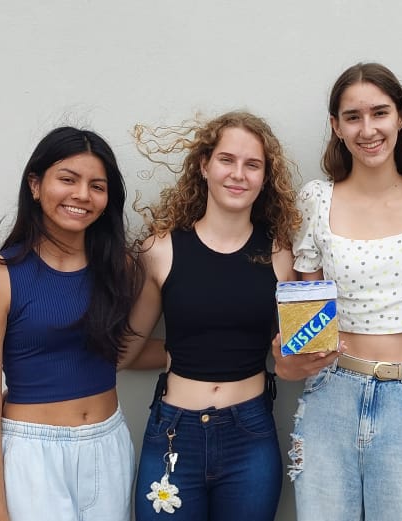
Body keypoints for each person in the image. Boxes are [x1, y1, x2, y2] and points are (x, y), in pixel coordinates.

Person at [278, 62, 402, 521]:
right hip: (330, 393)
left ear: (401, 117)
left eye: (380, 113)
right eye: (353, 117)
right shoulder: (316, 199)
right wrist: (292, 357)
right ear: (336, 126)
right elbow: (305, 310)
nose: (368, 129)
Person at [118, 111, 301, 521]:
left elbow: (295, 353)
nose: (238, 174)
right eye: (226, 160)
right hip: (173, 432)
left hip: (250, 434)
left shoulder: (281, 255)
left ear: (265, 177)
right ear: (204, 165)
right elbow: (125, 353)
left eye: (252, 165)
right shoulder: (160, 250)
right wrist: (174, 353)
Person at [0, 127, 142, 521]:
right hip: (33, 455)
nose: (82, 195)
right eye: (68, 179)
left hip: (108, 445)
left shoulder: (119, 269)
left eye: (97, 186)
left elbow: (125, 349)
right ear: (36, 185)